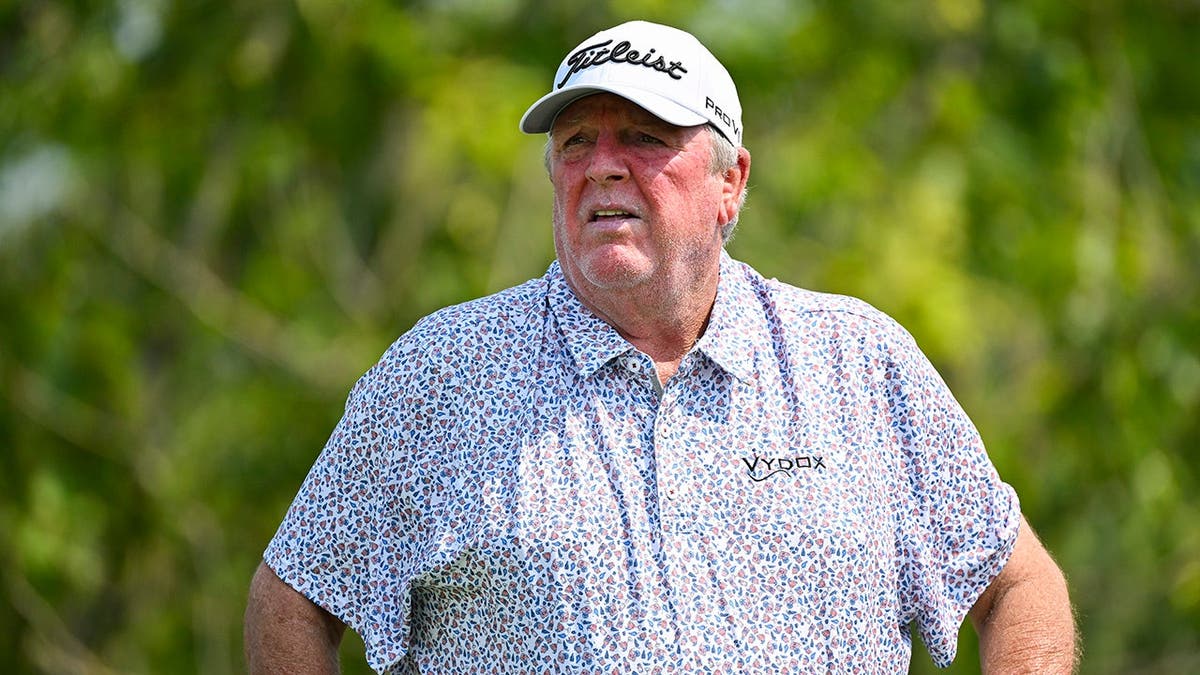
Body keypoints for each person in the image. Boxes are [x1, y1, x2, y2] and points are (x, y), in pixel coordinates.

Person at [244, 20, 1077, 674]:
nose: (602, 167)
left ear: (731, 182)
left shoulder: (858, 364)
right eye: (576, 142)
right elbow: (292, 598)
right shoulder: (441, 374)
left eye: (643, 138)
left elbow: (1020, 586)